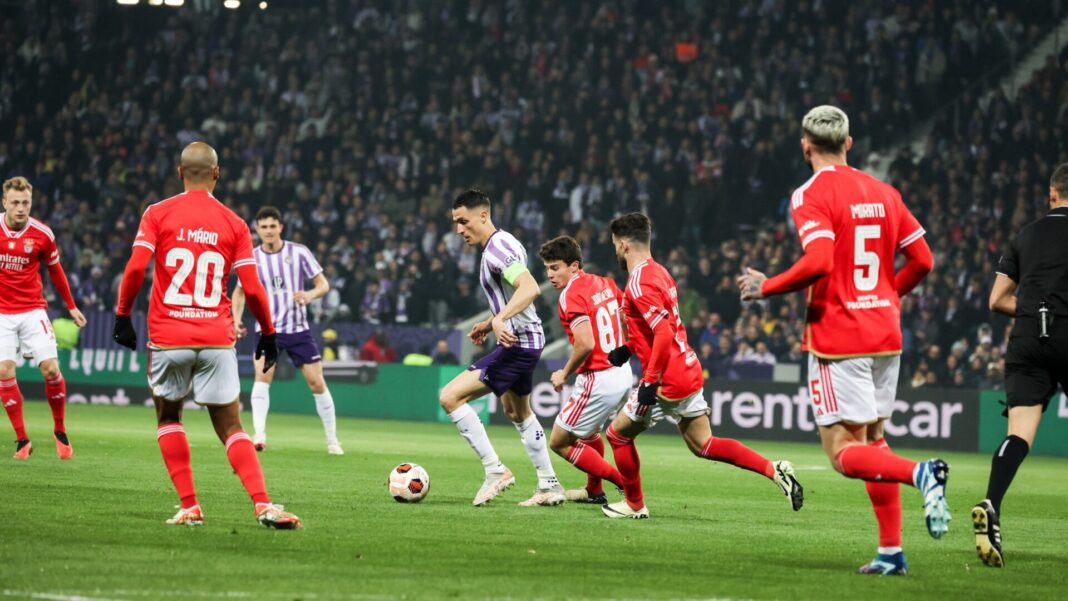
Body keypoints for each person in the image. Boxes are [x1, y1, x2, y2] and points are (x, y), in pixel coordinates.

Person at [738, 105, 946, 575]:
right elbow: (924, 260)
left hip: (840, 337)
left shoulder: (810, 193)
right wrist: (889, 295)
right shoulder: (885, 192)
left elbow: (820, 261)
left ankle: (921, 473)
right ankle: (891, 552)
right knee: (874, 440)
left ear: (805, 145)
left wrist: (765, 286)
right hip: (886, 336)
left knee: (841, 452)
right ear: (850, 143)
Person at [112, 142, 301, 529]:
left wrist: (122, 314)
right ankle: (263, 503)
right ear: (217, 174)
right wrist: (268, 332)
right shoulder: (233, 223)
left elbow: (134, 270)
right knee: (232, 427)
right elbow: (252, 286)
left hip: (168, 336)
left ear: (180, 173)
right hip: (217, 337)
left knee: (168, 416)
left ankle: (190, 506)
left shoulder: (157, 213)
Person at [602, 212, 803, 519]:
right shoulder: (660, 273)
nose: (615, 250)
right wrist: (629, 349)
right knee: (704, 444)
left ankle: (634, 504)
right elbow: (662, 326)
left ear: (626, 245)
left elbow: (664, 332)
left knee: (617, 436)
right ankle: (773, 470)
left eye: (616, 244)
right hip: (688, 370)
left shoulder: (638, 284)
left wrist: (650, 382)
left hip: (667, 381)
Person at [439, 188, 564, 507]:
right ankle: (549, 484)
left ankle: (495, 471)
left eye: (463, 221)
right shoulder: (504, 243)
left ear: (483, 215)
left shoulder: (496, 251)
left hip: (518, 344)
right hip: (527, 340)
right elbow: (516, 293)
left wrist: (500, 319)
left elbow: (531, 287)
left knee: (450, 396)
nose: (458, 230)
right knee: (517, 412)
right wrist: (490, 321)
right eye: (455, 222)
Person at [974, 162, 1068, 568]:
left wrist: (1032, 312)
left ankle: (991, 504)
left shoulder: (1025, 234)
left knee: (1020, 435)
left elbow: (996, 299)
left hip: (1029, 337)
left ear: (1052, 195)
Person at [231, 206, 342, 455]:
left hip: (298, 329)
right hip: (267, 329)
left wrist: (309, 294)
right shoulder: (251, 257)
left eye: (273, 226)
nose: (269, 231)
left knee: (316, 383)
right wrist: (236, 319)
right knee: (263, 378)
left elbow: (323, 284)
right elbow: (239, 291)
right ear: (257, 230)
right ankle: (259, 434)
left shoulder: (299, 252)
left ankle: (332, 440)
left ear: (280, 227)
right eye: (264, 227)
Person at [0, 176, 86, 460]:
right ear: (5, 203)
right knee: (4, 371)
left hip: (32, 309)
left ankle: (59, 430)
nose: (21, 208)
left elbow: (56, 271)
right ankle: (22, 439)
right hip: (2, 313)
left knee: (50, 369)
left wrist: (71, 306)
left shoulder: (43, 234)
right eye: (15, 203)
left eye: (26, 203)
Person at [538, 235, 628, 504]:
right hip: (621, 371)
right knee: (588, 434)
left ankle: (624, 483)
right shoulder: (605, 283)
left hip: (598, 376)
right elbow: (627, 316)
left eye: (555, 268)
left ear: (574, 266)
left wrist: (564, 373)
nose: (550, 275)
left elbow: (585, 343)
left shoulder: (570, 295)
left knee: (559, 441)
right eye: (547, 268)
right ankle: (594, 491)